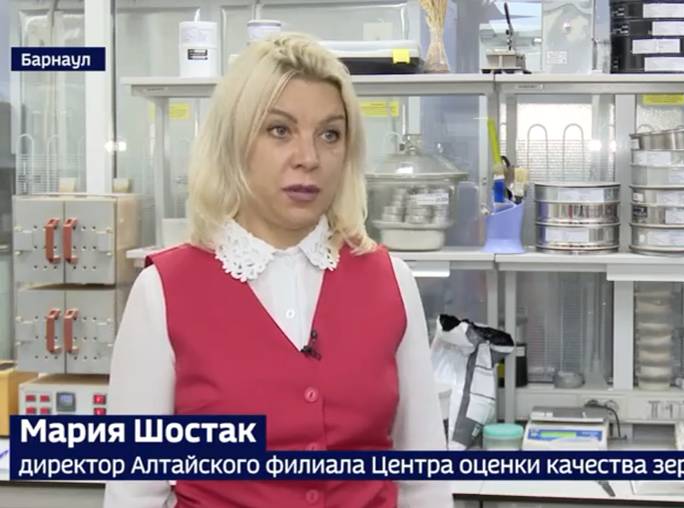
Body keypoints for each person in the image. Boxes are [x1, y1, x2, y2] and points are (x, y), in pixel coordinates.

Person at [103, 32, 452, 507]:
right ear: (235, 142)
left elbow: (424, 482)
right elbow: (134, 494)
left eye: (329, 134)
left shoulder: (392, 282)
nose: (309, 158)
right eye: (280, 130)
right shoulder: (162, 292)